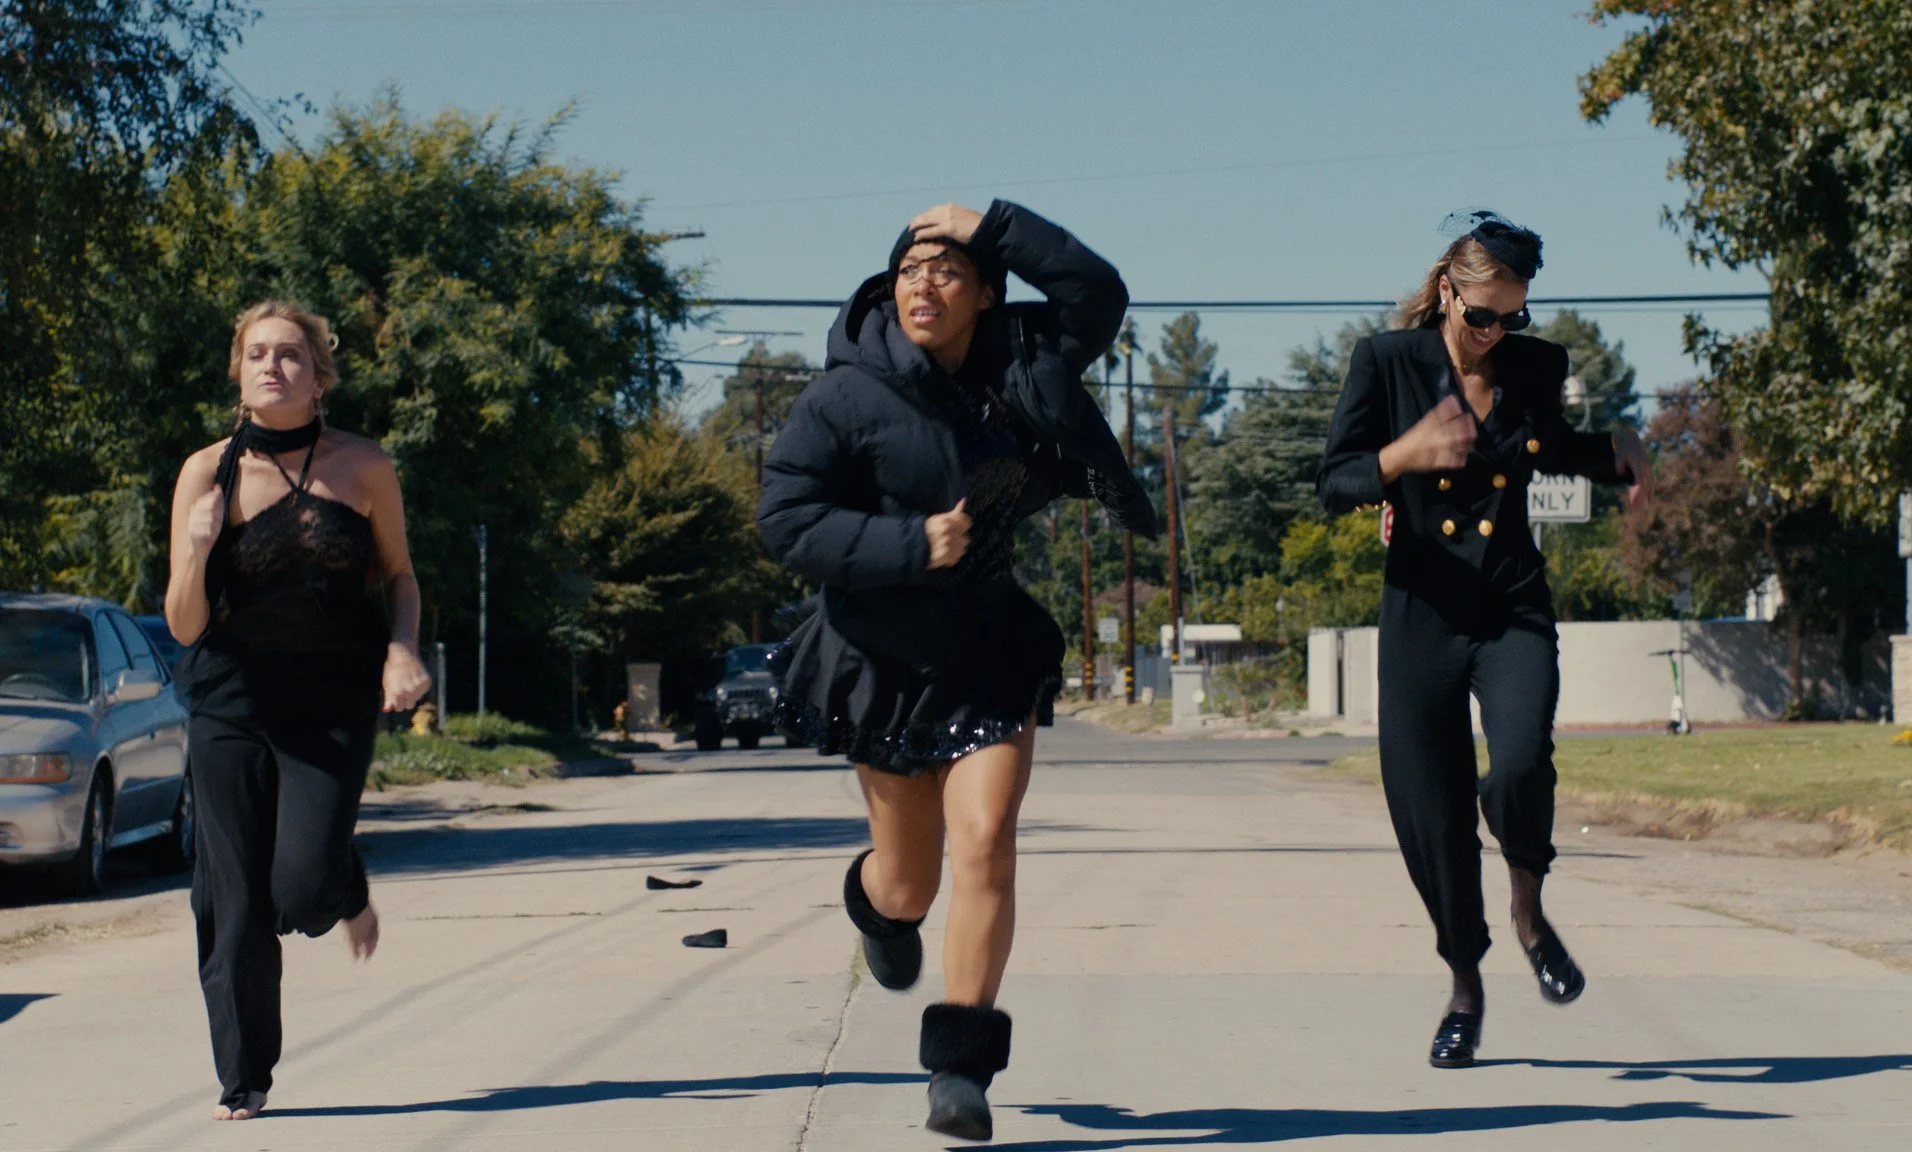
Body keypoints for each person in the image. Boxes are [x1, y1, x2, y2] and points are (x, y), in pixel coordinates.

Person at [759, 200, 1154, 1140]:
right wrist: (906, 543)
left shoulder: (1026, 364)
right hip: (880, 656)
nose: (922, 284)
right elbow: (786, 521)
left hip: (986, 646)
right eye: (908, 270)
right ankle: (877, 910)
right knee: (912, 884)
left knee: (986, 843)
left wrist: (998, 223)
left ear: (984, 293)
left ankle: (960, 1071)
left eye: (945, 270)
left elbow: (1099, 293)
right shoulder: (844, 396)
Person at [1317, 210, 1654, 1069]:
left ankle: (1530, 913)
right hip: (1423, 613)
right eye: (1481, 315)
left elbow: (1551, 447)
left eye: (1512, 315)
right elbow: (1335, 481)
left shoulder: (1536, 366)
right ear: (1447, 293)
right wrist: (1403, 455)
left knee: (1517, 766)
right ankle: (1465, 985)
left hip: (1511, 605)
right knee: (1430, 815)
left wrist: (1620, 455)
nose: (1495, 332)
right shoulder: (1386, 363)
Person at [165, 300, 432, 1119]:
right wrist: (201, 547)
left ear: (320, 376)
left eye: (290, 355)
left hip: (331, 702)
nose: (272, 366)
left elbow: (400, 577)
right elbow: (183, 623)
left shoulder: (364, 466)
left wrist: (402, 647)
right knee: (234, 899)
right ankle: (244, 1078)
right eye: (256, 355)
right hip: (230, 701)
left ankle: (341, 884)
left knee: (301, 886)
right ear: (238, 376)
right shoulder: (204, 474)